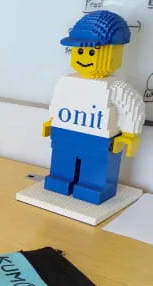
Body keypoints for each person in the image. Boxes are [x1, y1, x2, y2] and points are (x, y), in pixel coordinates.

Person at [42, 10, 145, 205]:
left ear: (114, 51)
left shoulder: (116, 86)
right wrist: (52, 121)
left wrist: (130, 134)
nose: (84, 56)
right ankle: (60, 180)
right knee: (62, 159)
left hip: (99, 139)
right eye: (80, 51)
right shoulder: (66, 81)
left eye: (91, 51)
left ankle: (95, 187)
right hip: (65, 132)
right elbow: (59, 102)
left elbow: (132, 107)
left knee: (96, 166)